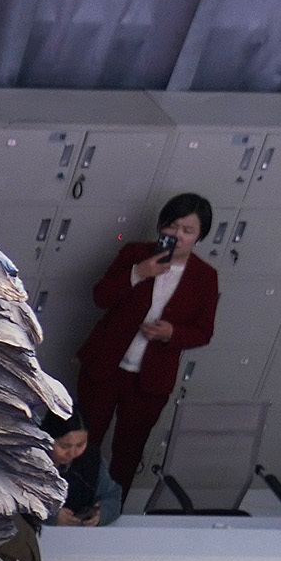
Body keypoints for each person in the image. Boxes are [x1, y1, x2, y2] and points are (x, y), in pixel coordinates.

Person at [70, 196, 220, 514]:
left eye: (188, 230)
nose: (178, 235)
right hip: (105, 367)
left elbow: (204, 332)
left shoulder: (205, 277)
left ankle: (108, 513)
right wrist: (137, 272)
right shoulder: (135, 254)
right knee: (82, 443)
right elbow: (100, 297)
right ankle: (69, 507)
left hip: (150, 380)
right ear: (161, 226)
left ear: (199, 237)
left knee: (128, 452)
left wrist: (172, 333)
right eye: (172, 226)